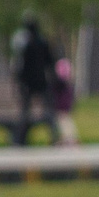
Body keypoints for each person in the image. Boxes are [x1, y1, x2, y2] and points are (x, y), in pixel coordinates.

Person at [12, 15, 60, 146]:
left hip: (30, 83)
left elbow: (22, 66)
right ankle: (54, 136)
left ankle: (19, 139)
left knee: (26, 112)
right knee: (47, 110)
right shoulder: (43, 43)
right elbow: (50, 63)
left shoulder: (27, 45)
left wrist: (21, 82)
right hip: (41, 81)